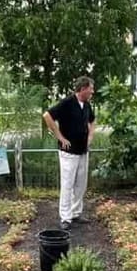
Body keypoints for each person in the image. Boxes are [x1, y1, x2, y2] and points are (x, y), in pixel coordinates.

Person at [43, 76, 96, 230]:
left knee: (81, 184)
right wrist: (60, 137)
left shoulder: (87, 105)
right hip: (68, 152)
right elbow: (47, 116)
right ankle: (65, 217)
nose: (92, 92)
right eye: (91, 89)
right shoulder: (67, 103)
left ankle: (76, 213)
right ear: (83, 89)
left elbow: (92, 121)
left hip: (83, 151)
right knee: (67, 184)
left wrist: (90, 136)